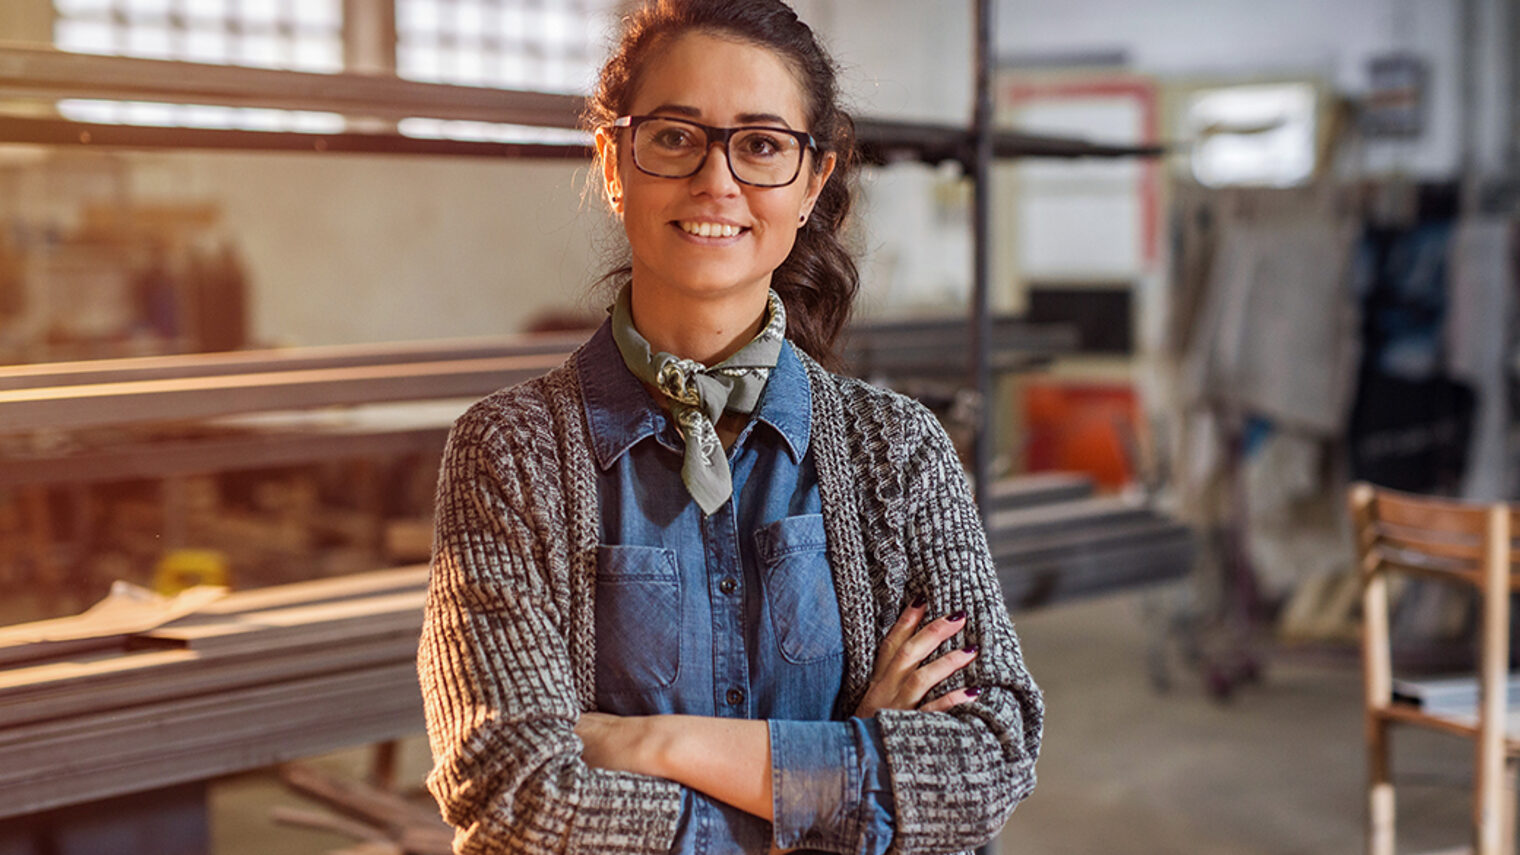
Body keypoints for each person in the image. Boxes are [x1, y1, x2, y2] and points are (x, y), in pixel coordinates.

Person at [416, 1, 1043, 853]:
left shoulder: (895, 450)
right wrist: (839, 787)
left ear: (812, 181)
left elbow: (988, 760)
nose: (718, 182)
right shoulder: (511, 452)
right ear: (614, 162)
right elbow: (516, 794)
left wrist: (651, 744)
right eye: (676, 136)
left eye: (761, 145)